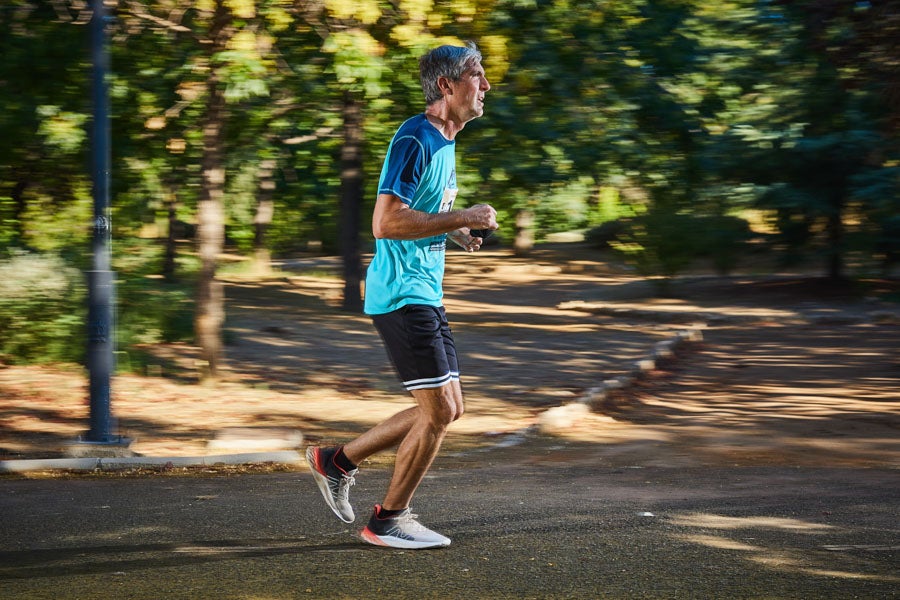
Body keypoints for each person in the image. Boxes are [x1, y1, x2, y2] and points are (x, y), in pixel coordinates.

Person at [306, 41, 496, 550]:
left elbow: (417, 214)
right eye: (477, 76)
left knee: (449, 409)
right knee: (437, 413)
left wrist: (454, 233)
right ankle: (388, 519)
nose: (486, 86)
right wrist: (463, 216)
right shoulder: (416, 137)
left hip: (423, 289)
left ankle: (336, 460)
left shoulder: (444, 141)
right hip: (401, 293)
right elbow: (386, 222)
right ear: (447, 85)